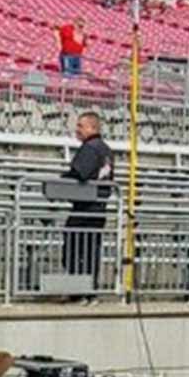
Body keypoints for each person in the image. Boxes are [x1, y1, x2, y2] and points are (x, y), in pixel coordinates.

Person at [62, 111, 112, 284]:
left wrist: (61, 181)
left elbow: (78, 173)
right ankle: (89, 289)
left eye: (80, 126)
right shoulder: (105, 149)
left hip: (85, 210)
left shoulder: (90, 148)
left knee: (76, 251)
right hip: (98, 209)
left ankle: (79, 290)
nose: (77, 129)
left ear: (92, 127)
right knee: (91, 252)